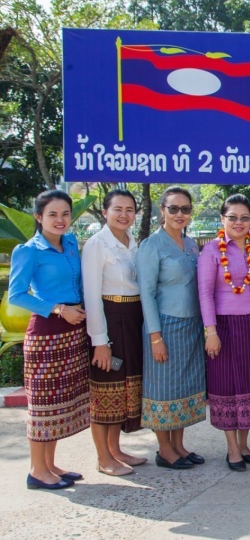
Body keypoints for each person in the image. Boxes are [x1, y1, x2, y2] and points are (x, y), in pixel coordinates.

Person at [9, 190, 90, 490]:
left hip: (73, 328)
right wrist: (58, 309)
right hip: (47, 331)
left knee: (58, 401)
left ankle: (50, 465)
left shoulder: (69, 243)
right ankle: (37, 471)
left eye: (65, 214)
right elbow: (17, 295)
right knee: (42, 403)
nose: (60, 220)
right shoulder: (28, 250)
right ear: (38, 217)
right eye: (52, 214)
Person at [198, 195, 250, 472]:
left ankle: (244, 443)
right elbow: (205, 293)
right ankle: (231, 448)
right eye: (232, 217)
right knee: (227, 385)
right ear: (222, 219)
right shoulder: (211, 250)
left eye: (244, 217)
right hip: (224, 326)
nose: (239, 223)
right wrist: (211, 332)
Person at [137, 186, 207, 470]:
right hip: (165, 326)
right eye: (174, 208)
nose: (180, 214)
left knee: (184, 386)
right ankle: (164, 450)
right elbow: (146, 293)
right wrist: (155, 337)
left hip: (192, 325)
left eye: (185, 209)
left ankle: (179, 446)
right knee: (164, 388)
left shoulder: (190, 244)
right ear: (162, 210)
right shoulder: (151, 245)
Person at [82, 189, 146, 477]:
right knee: (105, 389)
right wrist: (100, 341)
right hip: (110, 319)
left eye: (129, 209)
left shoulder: (133, 243)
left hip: (132, 319)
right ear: (105, 212)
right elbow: (92, 296)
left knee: (123, 388)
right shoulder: (97, 244)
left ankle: (116, 450)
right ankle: (102, 457)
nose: (123, 215)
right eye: (117, 209)